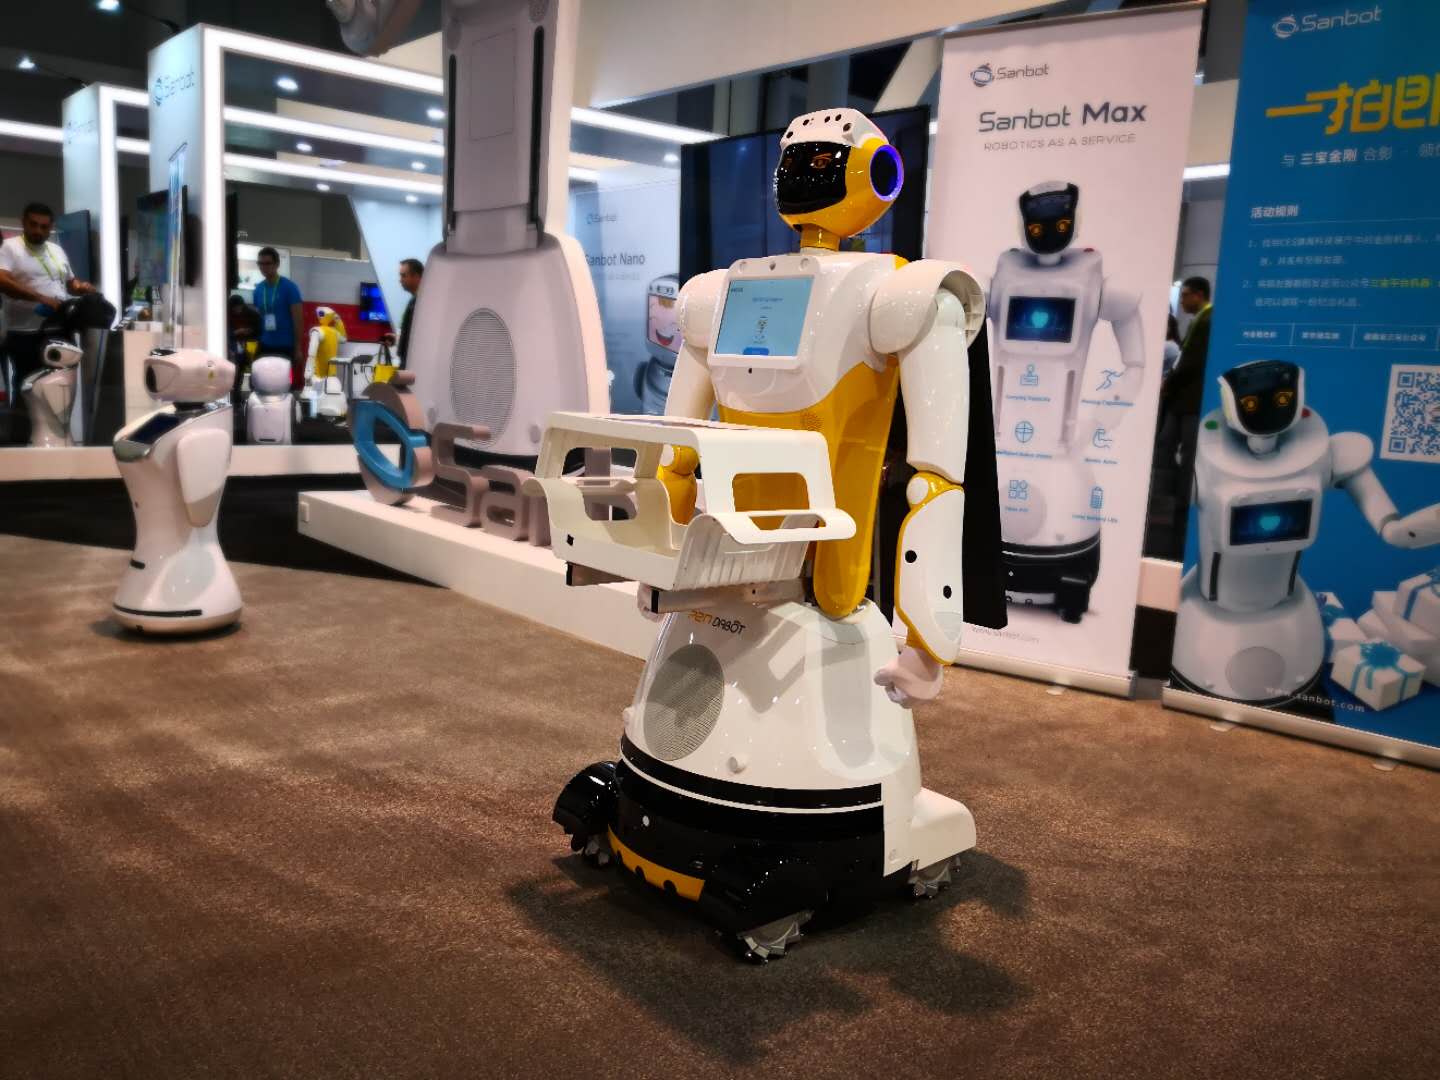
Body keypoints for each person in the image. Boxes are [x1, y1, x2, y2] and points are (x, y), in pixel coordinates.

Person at [0, 203, 97, 439]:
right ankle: (19, 445)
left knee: (60, 390)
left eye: (44, 227)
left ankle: (59, 440)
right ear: (24, 223)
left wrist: (80, 287)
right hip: (26, 334)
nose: (38, 231)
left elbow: (69, 283)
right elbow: (2, 280)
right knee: (29, 391)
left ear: (51, 227)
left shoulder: (56, 250)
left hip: (60, 331)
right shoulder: (11, 248)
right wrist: (40, 298)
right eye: (33, 225)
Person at [250, 246, 304, 385]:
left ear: (277, 264)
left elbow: (298, 319)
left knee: (282, 385)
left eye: (267, 263)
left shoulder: (289, 287)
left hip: (285, 345)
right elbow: (258, 317)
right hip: (265, 343)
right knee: (256, 382)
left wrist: (298, 348)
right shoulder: (258, 289)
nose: (263, 267)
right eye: (260, 263)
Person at [382, 257, 423, 368]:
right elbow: (412, 334)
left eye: (403, 276)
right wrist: (397, 339)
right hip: (407, 362)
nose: (400, 280)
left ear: (416, 277)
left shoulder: (424, 303)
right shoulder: (414, 301)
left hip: (415, 364)